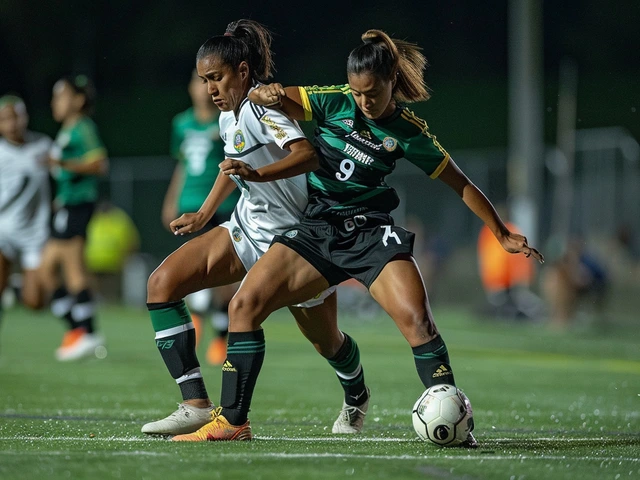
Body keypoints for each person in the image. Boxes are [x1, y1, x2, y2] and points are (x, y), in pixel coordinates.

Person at [173, 29, 544, 444]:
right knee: (244, 305)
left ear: (390, 83)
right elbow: (274, 98)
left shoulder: (408, 132)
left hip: (370, 233)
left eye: (372, 92)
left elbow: (461, 184)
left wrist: (502, 232)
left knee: (418, 322)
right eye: (357, 91)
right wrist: (268, 94)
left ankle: (456, 421)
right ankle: (233, 422)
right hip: (317, 228)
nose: (363, 101)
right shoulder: (334, 99)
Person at [142, 19, 370, 438]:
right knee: (161, 284)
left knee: (327, 342)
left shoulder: (261, 108)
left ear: (243, 72)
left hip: (297, 243)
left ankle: (356, 394)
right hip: (246, 229)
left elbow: (306, 155)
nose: (210, 88)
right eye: (204, 79)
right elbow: (232, 167)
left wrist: (259, 176)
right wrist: (204, 212)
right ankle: (196, 405)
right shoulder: (227, 116)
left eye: (217, 77)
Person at [162, 70, 241, 365]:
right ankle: (196, 325)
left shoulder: (226, 120)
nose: (205, 88)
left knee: (221, 272)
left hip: (224, 202)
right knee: (194, 269)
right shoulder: (181, 123)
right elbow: (181, 165)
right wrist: (171, 199)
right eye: (199, 81)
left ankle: (220, 337)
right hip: (190, 203)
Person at [38, 75, 109, 361]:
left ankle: (87, 332)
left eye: (62, 96)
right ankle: (78, 329)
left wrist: (63, 164)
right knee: (46, 270)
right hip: (67, 205)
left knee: (72, 267)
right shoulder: (67, 130)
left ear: (78, 100)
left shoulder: (82, 127)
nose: (56, 102)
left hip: (79, 205)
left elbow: (99, 163)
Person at [0, 95, 53, 339]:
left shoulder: (43, 145)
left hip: (34, 234)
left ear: (25, 117)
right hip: (4, 229)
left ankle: (17, 286)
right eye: (4, 119)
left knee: (35, 303)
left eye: (15, 117)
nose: (11, 123)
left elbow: (63, 173)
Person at [477, 206, 543, 321]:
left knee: (516, 302)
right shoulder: (488, 231)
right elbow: (486, 255)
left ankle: (535, 315)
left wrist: (520, 276)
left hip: (508, 279)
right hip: (497, 279)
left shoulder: (510, 231)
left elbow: (518, 257)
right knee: (504, 304)